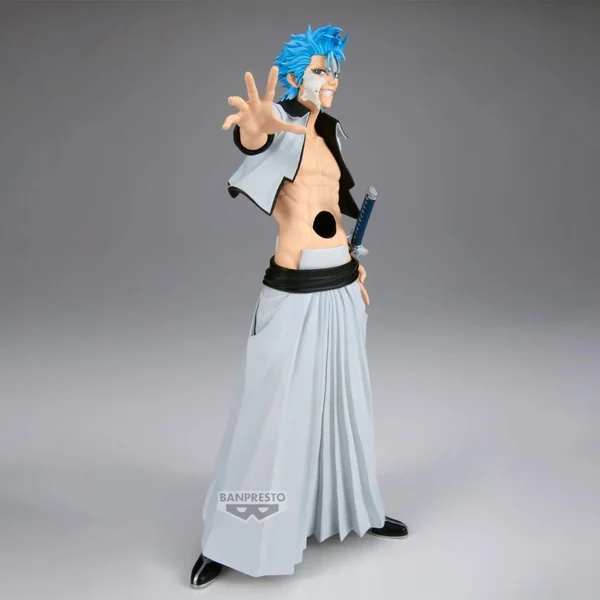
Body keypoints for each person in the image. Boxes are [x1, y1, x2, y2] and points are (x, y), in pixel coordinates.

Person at [190, 24, 408, 589]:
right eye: (318, 69)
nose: (330, 78)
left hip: (341, 282)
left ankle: (356, 508)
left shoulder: (331, 133)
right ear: (293, 76)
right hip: (293, 285)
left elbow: (331, 208)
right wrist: (253, 129)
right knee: (270, 411)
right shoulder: (280, 124)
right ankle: (229, 538)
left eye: (333, 70)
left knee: (345, 400)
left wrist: (354, 265)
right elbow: (255, 140)